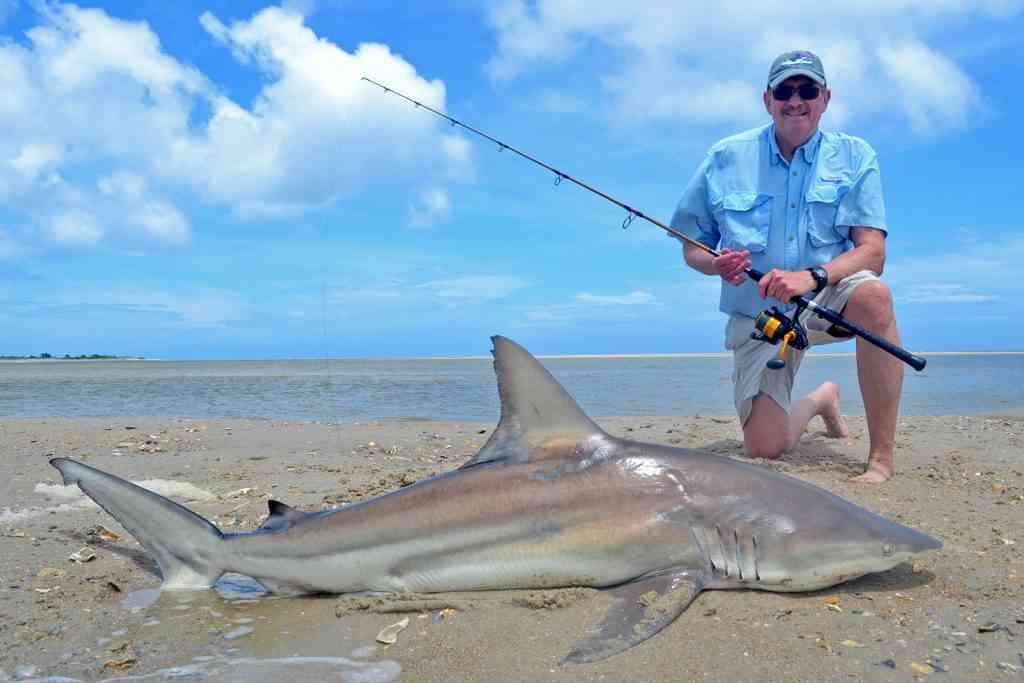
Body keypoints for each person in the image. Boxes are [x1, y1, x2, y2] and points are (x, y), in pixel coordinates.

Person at [671, 50, 903, 483]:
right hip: (761, 315)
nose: (796, 100)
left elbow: (872, 252)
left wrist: (813, 277)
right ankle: (821, 399)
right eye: (785, 90)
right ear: (768, 99)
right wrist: (716, 264)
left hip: (827, 297)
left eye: (807, 89)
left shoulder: (855, 156)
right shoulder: (724, 157)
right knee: (764, 448)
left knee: (874, 294)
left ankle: (881, 458)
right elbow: (691, 248)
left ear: (825, 98)